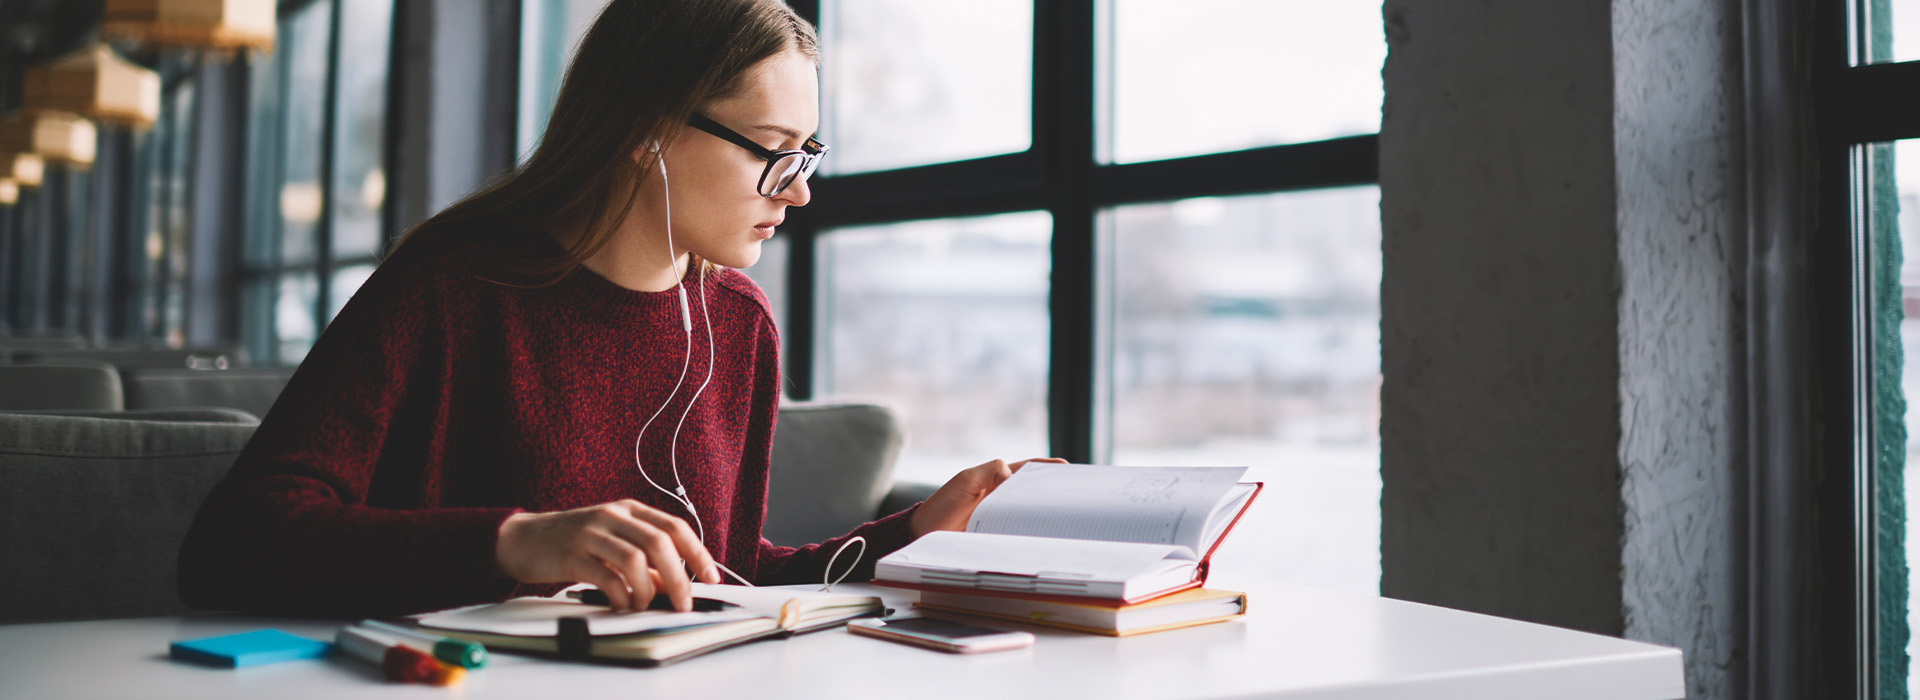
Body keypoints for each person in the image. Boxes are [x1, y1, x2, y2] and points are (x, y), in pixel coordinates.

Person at [177, 0, 1057, 618]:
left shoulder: (738, 324)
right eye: (773, 152)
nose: (797, 195)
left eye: (808, 155)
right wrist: (514, 544)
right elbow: (235, 541)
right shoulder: (450, 286)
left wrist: (912, 534)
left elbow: (728, 579)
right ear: (646, 127)